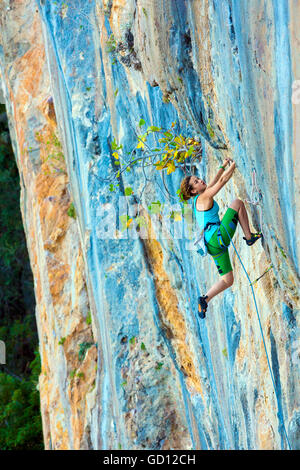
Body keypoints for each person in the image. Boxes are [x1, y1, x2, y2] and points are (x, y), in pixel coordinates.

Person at [180, 158, 262, 319]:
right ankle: (249, 237)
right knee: (237, 203)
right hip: (217, 239)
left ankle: (205, 299)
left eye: (197, 178)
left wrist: (222, 166)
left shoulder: (199, 198)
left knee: (227, 280)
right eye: (196, 182)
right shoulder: (203, 197)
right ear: (193, 191)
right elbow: (223, 181)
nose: (200, 180)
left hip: (212, 246)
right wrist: (234, 164)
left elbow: (213, 181)